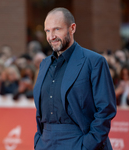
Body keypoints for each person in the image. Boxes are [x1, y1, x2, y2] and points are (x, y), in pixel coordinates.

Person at [33, 7, 116, 150]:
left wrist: (88, 145)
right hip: (46, 143)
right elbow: (41, 111)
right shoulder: (45, 64)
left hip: (79, 141)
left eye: (57, 29)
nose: (51, 36)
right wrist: (38, 141)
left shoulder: (94, 62)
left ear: (72, 28)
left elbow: (106, 109)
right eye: (47, 31)